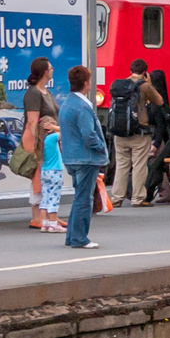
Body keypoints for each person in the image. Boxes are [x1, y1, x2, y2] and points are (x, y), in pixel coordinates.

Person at [59, 66, 105, 249]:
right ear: (86, 83)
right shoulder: (83, 107)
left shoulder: (67, 104)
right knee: (85, 199)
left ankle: (71, 236)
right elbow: (89, 134)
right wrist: (101, 147)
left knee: (79, 197)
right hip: (86, 158)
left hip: (71, 157)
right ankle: (79, 238)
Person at [107, 58, 159, 207]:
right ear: (144, 72)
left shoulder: (118, 85)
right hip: (138, 132)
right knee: (139, 165)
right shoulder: (144, 86)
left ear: (130, 70)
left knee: (122, 164)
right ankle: (137, 198)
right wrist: (148, 82)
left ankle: (117, 198)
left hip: (120, 132)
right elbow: (159, 100)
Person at [139, 70, 170, 206]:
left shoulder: (156, 104)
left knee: (155, 166)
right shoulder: (163, 101)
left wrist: (156, 143)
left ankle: (152, 194)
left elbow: (160, 126)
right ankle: (164, 193)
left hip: (161, 140)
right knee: (160, 166)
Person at [22, 58, 58, 229]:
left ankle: (47, 216)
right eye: (50, 68)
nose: (53, 70)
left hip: (49, 142)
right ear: (45, 71)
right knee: (38, 177)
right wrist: (35, 147)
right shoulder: (33, 93)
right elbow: (32, 121)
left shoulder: (46, 92)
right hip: (39, 142)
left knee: (46, 178)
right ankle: (37, 216)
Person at [37, 119, 65, 233]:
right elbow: (68, 131)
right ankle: (53, 223)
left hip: (45, 171)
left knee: (45, 197)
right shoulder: (52, 138)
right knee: (54, 197)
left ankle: (45, 223)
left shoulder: (40, 140)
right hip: (55, 171)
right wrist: (55, 128)